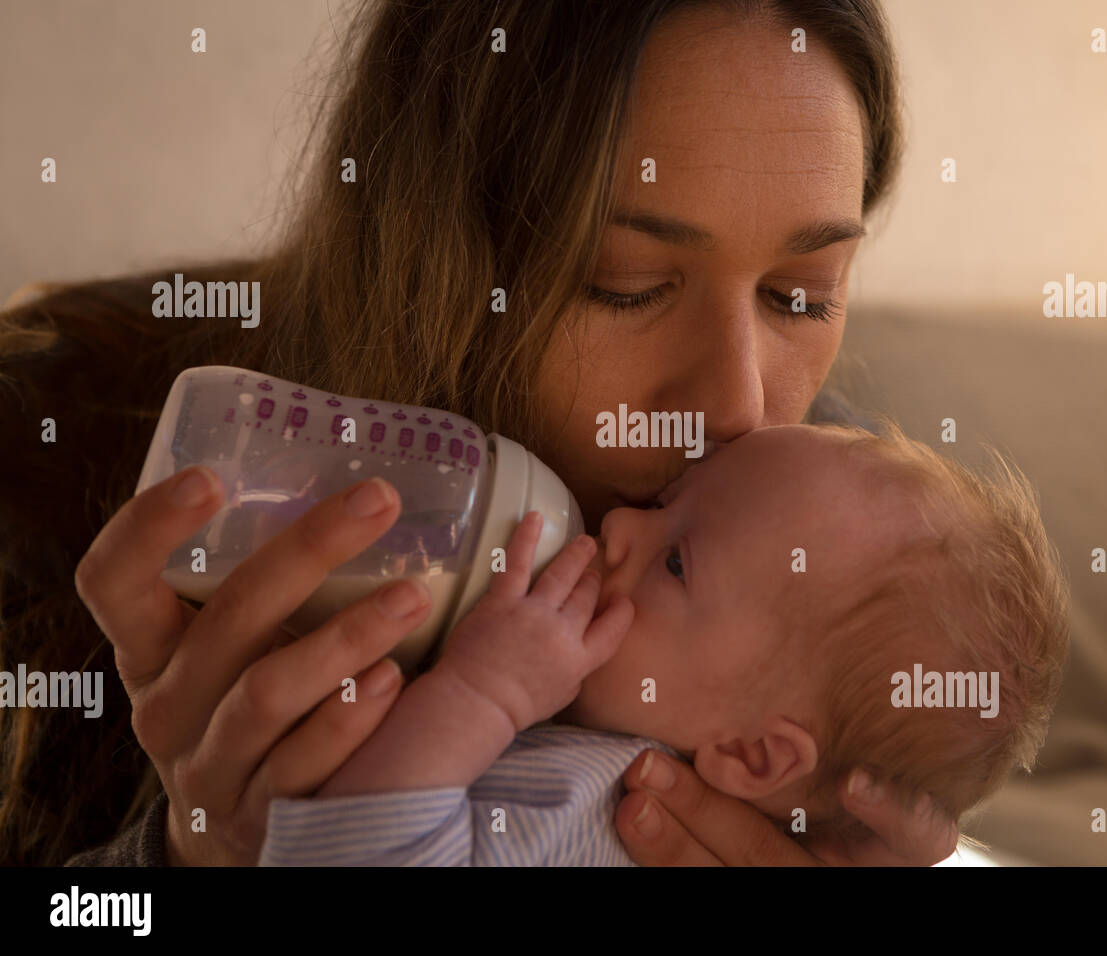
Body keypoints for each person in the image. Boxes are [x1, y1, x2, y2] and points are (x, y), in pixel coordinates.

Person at [0, 0, 959, 866]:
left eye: (802, 296)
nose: (738, 408)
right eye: (625, 284)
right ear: (433, 254)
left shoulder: (836, 521)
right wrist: (180, 860)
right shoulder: (56, 442)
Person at [255, 421, 1070, 865]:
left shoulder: (599, 812)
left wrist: (483, 694)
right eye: (670, 498)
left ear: (754, 755)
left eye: (676, 561)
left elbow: (358, 853)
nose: (617, 526)